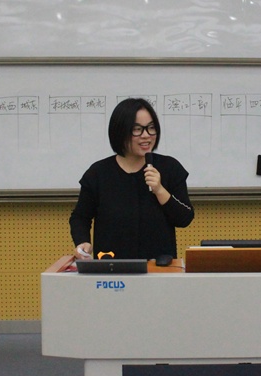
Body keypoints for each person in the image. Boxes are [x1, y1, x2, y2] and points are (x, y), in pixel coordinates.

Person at [70, 97, 194, 261]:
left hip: (159, 267)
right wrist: (82, 241)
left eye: (151, 128)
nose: (146, 135)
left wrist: (159, 190)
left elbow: (185, 218)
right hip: (112, 267)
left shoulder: (169, 167)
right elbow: (80, 217)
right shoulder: (98, 173)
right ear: (120, 132)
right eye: (137, 129)